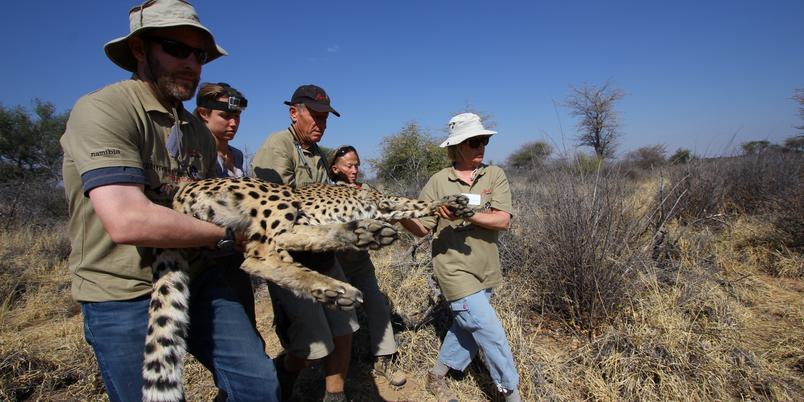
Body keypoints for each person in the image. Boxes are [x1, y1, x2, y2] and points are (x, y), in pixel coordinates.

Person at [59, 1, 279, 401]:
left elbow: (216, 199)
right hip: (124, 291)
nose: (193, 64)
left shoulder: (195, 128)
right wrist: (231, 234)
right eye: (177, 49)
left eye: (200, 55)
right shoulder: (105, 110)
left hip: (197, 275)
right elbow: (127, 220)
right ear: (140, 50)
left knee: (259, 384)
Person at [400, 113, 521, 402]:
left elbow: (503, 220)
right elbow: (422, 229)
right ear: (457, 147)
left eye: (484, 141)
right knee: (489, 331)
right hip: (453, 269)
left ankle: (437, 374)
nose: (481, 146)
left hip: (486, 268)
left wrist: (469, 214)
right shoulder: (439, 182)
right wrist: (401, 215)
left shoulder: (494, 175)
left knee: (468, 327)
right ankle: (511, 393)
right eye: (474, 142)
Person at [251, 85, 358, 402]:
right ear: (294, 112)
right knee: (313, 348)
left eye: (325, 119)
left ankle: (334, 395)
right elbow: (275, 209)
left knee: (344, 331)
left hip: (325, 259)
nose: (321, 125)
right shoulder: (278, 146)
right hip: (291, 263)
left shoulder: (318, 156)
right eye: (315, 116)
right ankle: (282, 373)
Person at [328, 145, 408, 387]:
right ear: (335, 169)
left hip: (361, 262)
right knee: (341, 315)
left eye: (356, 165)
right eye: (348, 165)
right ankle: (339, 367)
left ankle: (384, 357)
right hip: (337, 263)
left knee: (376, 305)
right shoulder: (329, 194)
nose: (354, 169)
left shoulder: (367, 190)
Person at [193, 82, 258, 328]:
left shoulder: (237, 156)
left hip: (236, 256)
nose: (233, 123)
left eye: (237, 117)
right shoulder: (195, 154)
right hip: (208, 259)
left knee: (248, 325)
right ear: (203, 114)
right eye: (226, 116)